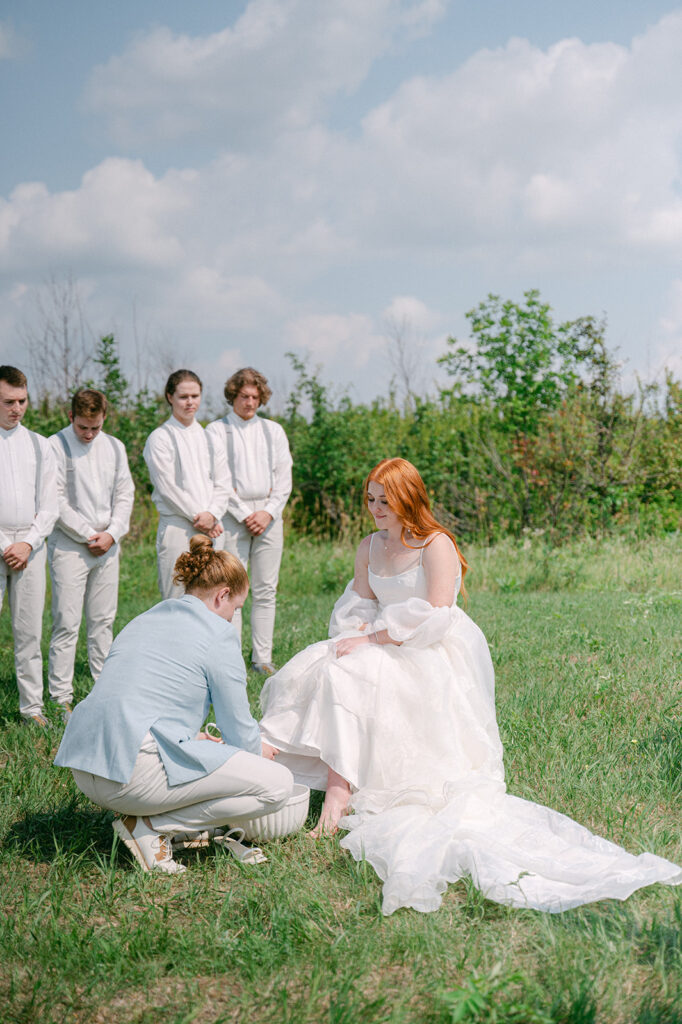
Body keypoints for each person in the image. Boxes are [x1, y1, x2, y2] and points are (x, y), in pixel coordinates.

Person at [260, 457, 682, 915]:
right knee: (319, 665)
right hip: (379, 639)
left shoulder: (435, 544)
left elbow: (437, 615)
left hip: (425, 650)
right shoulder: (368, 546)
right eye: (370, 500)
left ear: (408, 498)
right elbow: (358, 605)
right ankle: (260, 762)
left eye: (385, 500)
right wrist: (354, 637)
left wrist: (374, 639)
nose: (376, 508)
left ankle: (336, 797)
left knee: (356, 673)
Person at [54, 535, 293, 874]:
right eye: (235, 609)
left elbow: (143, 698)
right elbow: (238, 727)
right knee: (278, 785)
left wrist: (194, 740)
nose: (231, 619)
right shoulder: (218, 633)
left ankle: (151, 825)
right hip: (132, 777)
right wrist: (257, 752)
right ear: (222, 595)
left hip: (87, 764)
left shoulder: (146, 617)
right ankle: (153, 827)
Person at [48, 388, 135, 719]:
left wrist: (111, 533)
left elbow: (125, 493)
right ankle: (60, 696)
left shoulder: (114, 447)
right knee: (66, 621)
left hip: (108, 543)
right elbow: (55, 499)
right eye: (83, 427)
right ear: (71, 417)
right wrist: (88, 535)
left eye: (95, 427)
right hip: (70, 545)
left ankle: (103, 687)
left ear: (103, 420)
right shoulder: (54, 446)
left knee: (103, 620)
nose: (89, 434)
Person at [206, 367, 292, 674]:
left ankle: (262, 659)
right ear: (233, 395)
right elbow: (218, 479)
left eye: (256, 397)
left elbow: (284, 477)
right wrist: (244, 513)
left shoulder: (273, 431)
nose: (250, 402)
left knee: (266, 588)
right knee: (231, 588)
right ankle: (230, 659)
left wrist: (268, 511)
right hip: (232, 515)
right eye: (244, 396)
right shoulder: (216, 431)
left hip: (269, 514)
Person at [0, 365, 59, 727]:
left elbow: (51, 504)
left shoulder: (40, 444)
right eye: (8, 401)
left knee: (29, 631)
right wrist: (6, 544)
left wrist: (27, 542)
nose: (17, 409)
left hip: (31, 546)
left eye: (22, 401)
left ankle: (31, 708)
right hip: (2, 542)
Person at [144, 369, 231, 599]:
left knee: (212, 597)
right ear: (170, 397)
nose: (190, 402)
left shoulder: (211, 438)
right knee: (177, 598)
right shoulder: (160, 438)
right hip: (178, 529)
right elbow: (167, 487)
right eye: (183, 397)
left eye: (195, 396)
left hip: (213, 528)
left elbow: (223, 483)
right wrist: (199, 516)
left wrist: (212, 514)